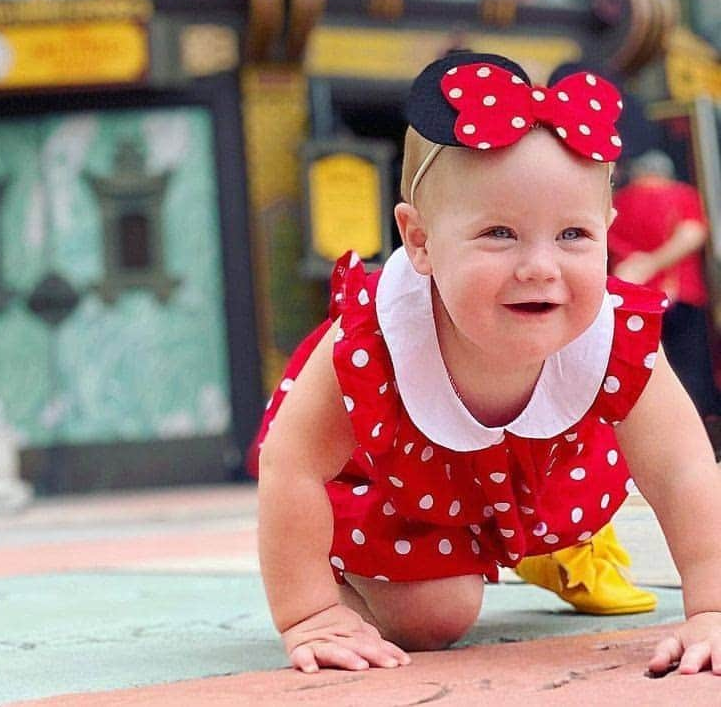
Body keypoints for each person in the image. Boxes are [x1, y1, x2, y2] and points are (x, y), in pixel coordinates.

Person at [255, 52, 721, 676]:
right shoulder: (381, 336)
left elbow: (684, 468)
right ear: (419, 242)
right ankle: (360, 580)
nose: (539, 266)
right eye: (499, 233)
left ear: (609, 231)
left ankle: (533, 541)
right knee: (434, 617)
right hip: (394, 482)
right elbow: (294, 464)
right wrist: (307, 611)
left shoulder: (612, 332)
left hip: (532, 464)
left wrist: (712, 609)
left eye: (574, 235)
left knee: (604, 471)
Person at [608, 150, 719, 422]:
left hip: (635, 298)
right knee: (689, 368)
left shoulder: (619, 201)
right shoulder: (682, 194)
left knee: (645, 369)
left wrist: (640, 265)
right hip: (681, 295)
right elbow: (692, 233)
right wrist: (656, 262)